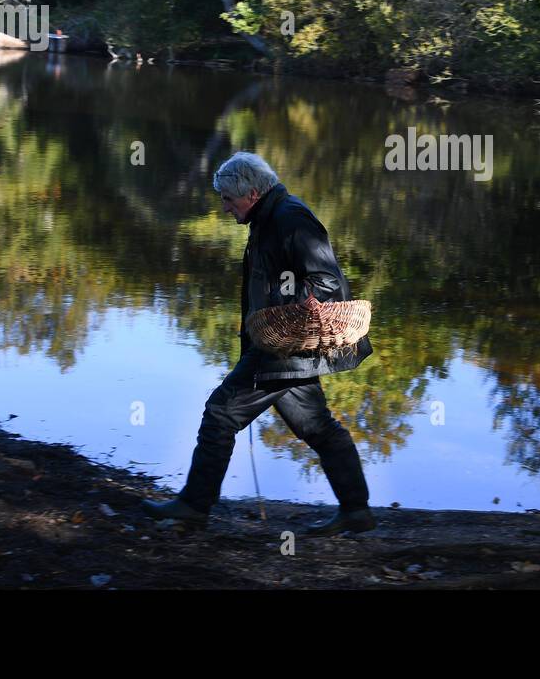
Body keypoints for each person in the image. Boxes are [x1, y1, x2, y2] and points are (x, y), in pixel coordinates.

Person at [141, 152, 376, 535]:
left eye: (227, 199)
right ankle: (357, 511)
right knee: (318, 427)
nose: (224, 207)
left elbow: (328, 282)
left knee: (220, 414)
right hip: (280, 350)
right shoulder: (268, 218)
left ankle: (193, 506)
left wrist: (294, 308)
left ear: (251, 193)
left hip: (283, 351)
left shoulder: (290, 217)